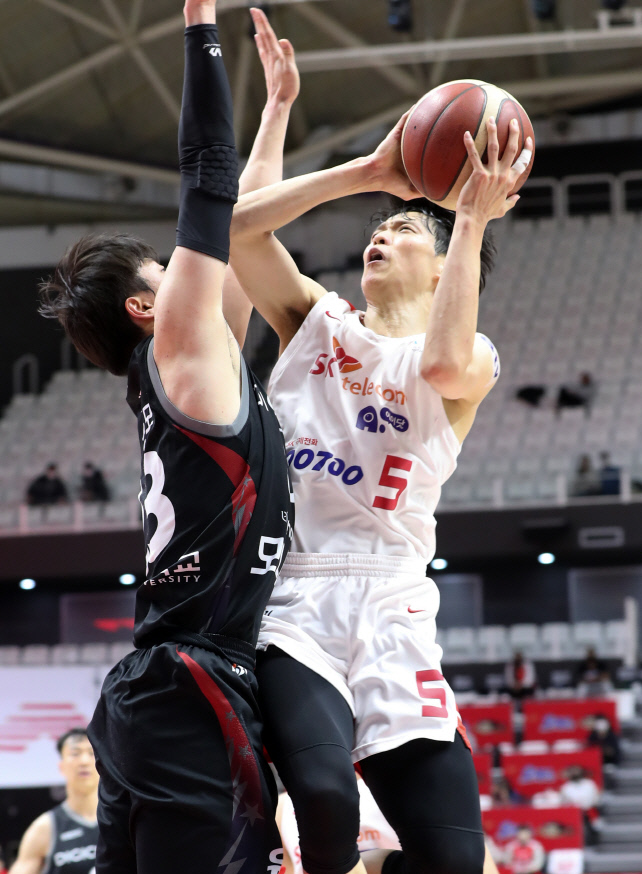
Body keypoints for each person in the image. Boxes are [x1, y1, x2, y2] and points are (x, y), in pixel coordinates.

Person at [230, 65, 532, 874]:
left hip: (395, 603)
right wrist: (368, 171)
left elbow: (436, 367)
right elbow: (235, 233)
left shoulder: (471, 355)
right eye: (381, 224)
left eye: (406, 230)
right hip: (295, 595)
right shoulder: (314, 321)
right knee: (324, 798)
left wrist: (465, 221)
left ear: (441, 269)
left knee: (453, 862)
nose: (384, 231)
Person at [37, 4, 295, 872]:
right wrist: (199, 27)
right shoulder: (178, 345)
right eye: (167, 268)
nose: (191, 265)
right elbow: (206, 178)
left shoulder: (189, 365)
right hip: (191, 687)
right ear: (148, 307)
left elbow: (240, 223)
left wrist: (277, 114)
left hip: (158, 689)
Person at [9, 728, 99, 874]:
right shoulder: (45, 827)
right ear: (61, 766)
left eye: (91, 753)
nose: (84, 761)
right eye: (75, 754)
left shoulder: (123, 819)